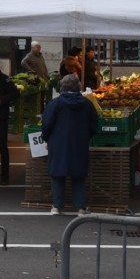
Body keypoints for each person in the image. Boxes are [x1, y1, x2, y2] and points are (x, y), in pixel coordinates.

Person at [41, 73, 96, 214]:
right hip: (80, 142)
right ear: (78, 86)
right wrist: (86, 136)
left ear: (62, 86)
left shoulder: (55, 103)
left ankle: (57, 206)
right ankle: (80, 207)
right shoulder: (87, 103)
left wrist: (47, 138)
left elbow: (46, 123)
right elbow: (94, 124)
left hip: (58, 142)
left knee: (57, 174)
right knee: (79, 175)